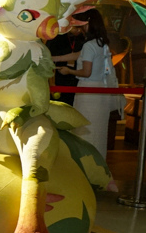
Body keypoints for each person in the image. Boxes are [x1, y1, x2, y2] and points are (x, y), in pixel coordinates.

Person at [57, 9, 115, 159]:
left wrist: (69, 71)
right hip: (101, 90)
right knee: (98, 130)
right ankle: (98, 162)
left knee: (85, 130)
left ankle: (86, 163)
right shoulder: (101, 43)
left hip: (88, 92)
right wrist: (55, 59)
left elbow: (86, 72)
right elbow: (79, 55)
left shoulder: (89, 45)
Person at [47, 25, 85, 106]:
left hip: (77, 78)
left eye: (80, 28)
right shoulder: (57, 38)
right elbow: (49, 61)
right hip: (59, 78)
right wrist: (51, 83)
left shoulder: (83, 38)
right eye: (76, 28)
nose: (78, 30)